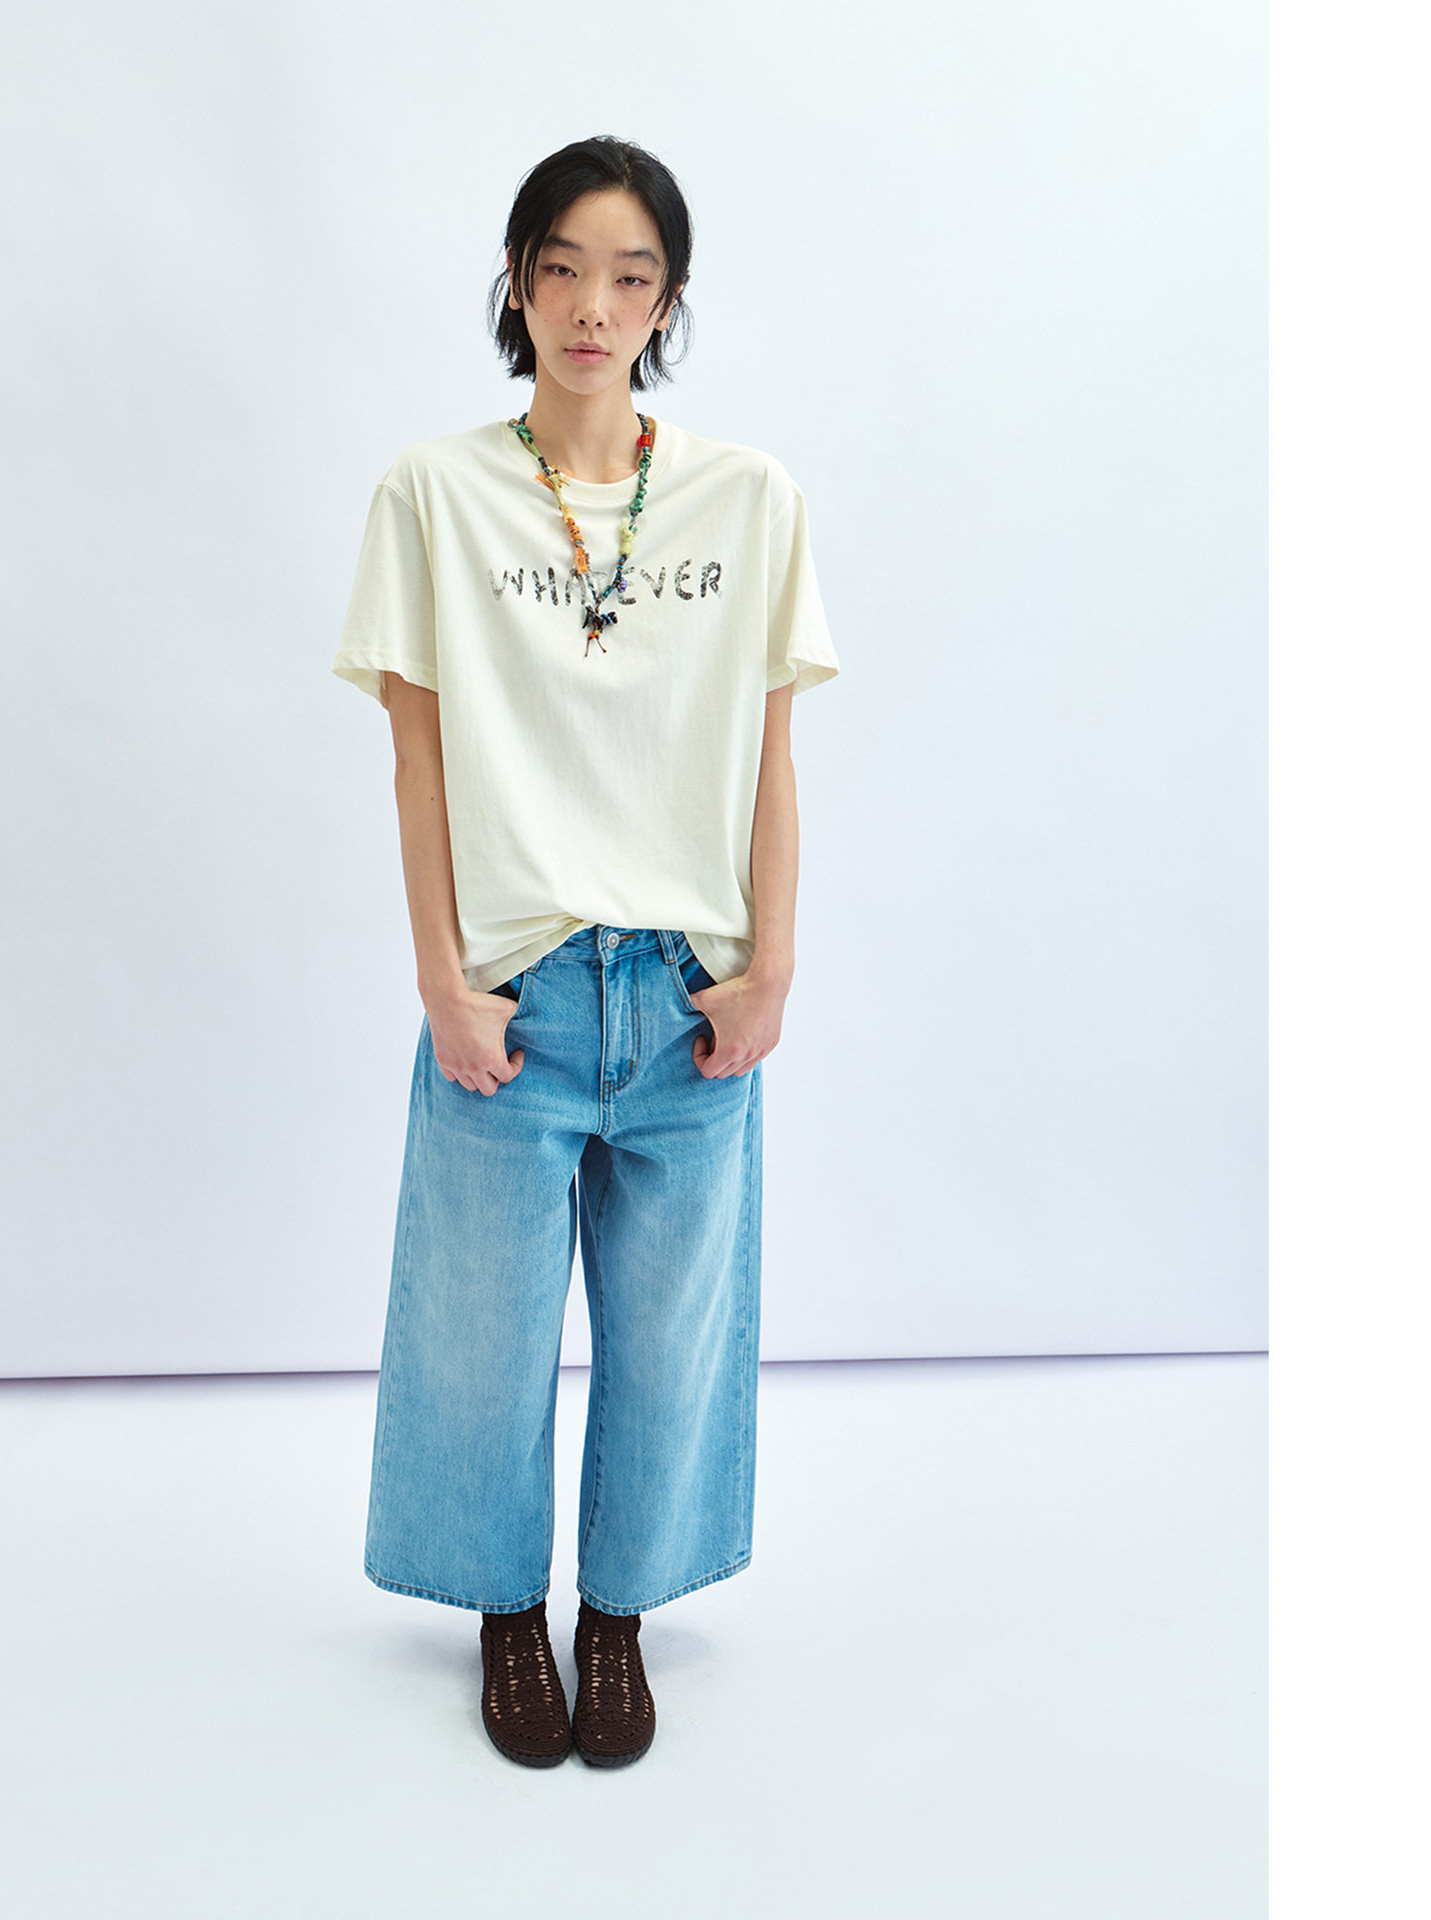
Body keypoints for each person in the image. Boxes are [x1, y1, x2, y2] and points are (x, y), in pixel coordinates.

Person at [330, 135, 839, 1769]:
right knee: (478, 1335)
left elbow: (769, 756)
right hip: (519, 985)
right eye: (560, 269)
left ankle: (615, 1617)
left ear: (668, 302)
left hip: (688, 988)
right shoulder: (433, 494)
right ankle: (506, 1612)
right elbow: (416, 759)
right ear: (516, 282)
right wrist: (441, 979)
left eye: (630, 277)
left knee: (674, 1333)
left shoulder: (750, 498)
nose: (592, 307)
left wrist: (771, 968)